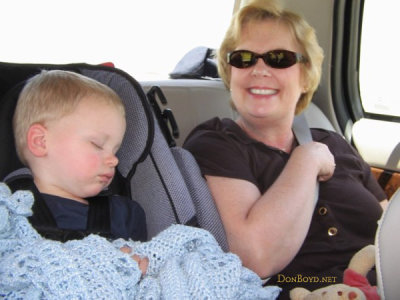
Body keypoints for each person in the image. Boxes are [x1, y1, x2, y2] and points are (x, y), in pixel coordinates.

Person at [183, 0, 387, 297]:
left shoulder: (333, 142)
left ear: (305, 76)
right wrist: (308, 159)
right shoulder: (216, 143)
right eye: (244, 58)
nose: (259, 69)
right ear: (231, 71)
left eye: (278, 58)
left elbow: (389, 227)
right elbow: (256, 258)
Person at [12, 70, 147, 246]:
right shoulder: (9, 210)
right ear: (40, 142)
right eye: (97, 145)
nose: (114, 160)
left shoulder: (125, 215)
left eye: (115, 151)